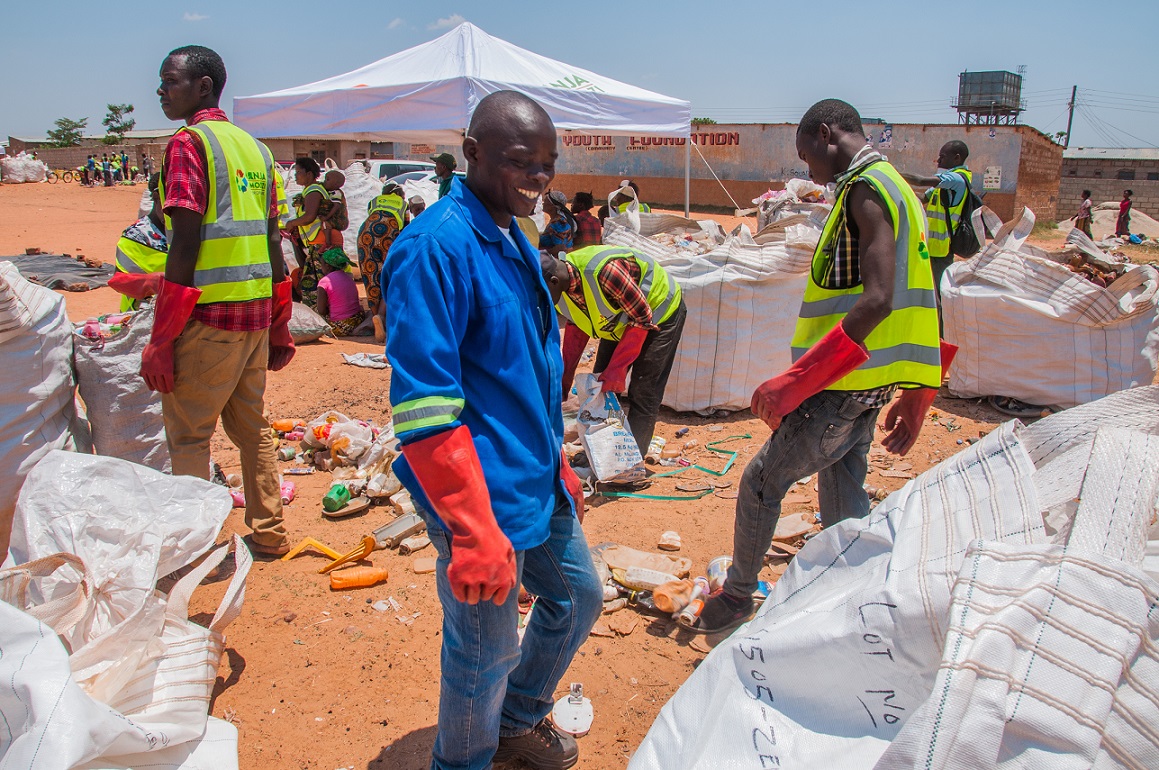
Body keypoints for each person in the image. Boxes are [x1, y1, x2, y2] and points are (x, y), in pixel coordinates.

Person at [382, 90, 600, 770]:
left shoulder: (510, 235)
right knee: (484, 650)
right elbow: (425, 411)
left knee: (576, 599)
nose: (538, 177)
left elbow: (527, 373)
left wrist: (559, 462)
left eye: (547, 163)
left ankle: (514, 719)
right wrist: (473, 532)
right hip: (477, 494)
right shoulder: (434, 248)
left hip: (531, 475)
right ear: (471, 154)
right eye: (519, 161)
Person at [693, 99, 953, 635]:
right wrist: (918, 388)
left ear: (824, 133)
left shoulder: (865, 189)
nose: (806, 168)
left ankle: (738, 595)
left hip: (839, 383)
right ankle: (854, 596)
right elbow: (921, 294)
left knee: (761, 482)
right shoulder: (899, 188)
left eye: (805, 153)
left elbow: (880, 298)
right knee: (842, 492)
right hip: (871, 380)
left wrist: (798, 379)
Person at [112, 44, 295, 557]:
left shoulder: (190, 144)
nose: (161, 90)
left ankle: (192, 550)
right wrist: (278, 324)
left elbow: (185, 245)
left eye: (170, 81)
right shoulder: (254, 149)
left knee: (190, 437)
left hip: (208, 319)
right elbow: (272, 241)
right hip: (254, 317)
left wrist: (160, 339)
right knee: (253, 430)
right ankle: (270, 533)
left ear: (204, 86)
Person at [541, 245, 686, 455]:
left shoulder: (605, 272)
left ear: (554, 281)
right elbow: (577, 325)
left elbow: (643, 318)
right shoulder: (562, 285)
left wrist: (618, 368)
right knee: (601, 386)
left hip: (659, 312)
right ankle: (603, 454)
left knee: (643, 390)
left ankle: (631, 462)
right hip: (621, 320)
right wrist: (566, 376)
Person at [901, 140, 971, 307]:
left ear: (957, 158)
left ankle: (941, 330)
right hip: (930, 246)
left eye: (942, 157)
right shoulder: (944, 184)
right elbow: (922, 198)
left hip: (941, 248)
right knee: (928, 292)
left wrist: (891, 172)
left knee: (938, 296)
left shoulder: (957, 179)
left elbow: (919, 180)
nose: (939, 161)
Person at [113, 172, 168, 311]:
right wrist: (151, 283)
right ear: (157, 198)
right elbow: (119, 281)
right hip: (139, 317)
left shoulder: (187, 229)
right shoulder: (136, 236)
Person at [358, 181, 405, 342]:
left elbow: (371, 218)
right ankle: (382, 316)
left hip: (365, 235)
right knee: (390, 276)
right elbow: (405, 229)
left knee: (370, 276)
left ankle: (374, 315)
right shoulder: (402, 204)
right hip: (389, 234)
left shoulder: (375, 201)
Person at [284, 157, 331, 308]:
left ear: (309, 174)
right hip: (314, 243)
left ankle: (322, 314)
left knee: (317, 283)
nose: (296, 176)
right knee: (313, 282)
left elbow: (309, 216)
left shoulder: (313, 191)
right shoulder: (310, 190)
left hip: (319, 242)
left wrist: (291, 223)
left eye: (298, 172)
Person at [315, 247, 366, 336]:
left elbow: (321, 310)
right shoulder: (348, 277)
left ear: (328, 266)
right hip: (357, 321)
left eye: (321, 264)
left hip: (340, 326)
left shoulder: (324, 281)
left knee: (314, 311)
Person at [539, 190, 577, 254]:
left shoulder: (558, 223)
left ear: (552, 206)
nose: (543, 203)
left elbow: (561, 248)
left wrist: (543, 253)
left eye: (545, 201)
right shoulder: (559, 221)